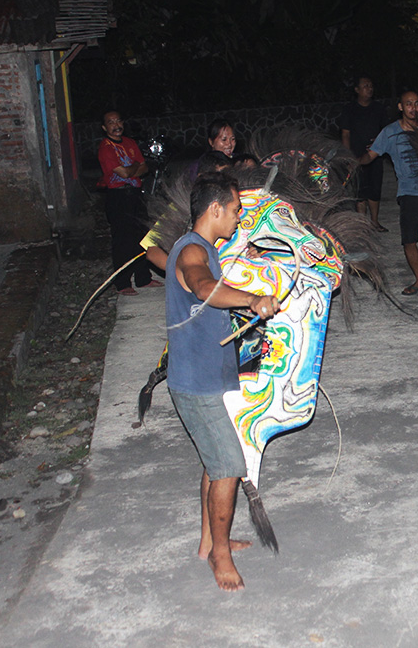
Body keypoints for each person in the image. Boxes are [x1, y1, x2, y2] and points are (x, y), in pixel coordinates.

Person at [165, 172, 280, 591]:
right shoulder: (192, 251)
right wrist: (252, 299)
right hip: (195, 383)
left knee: (213, 464)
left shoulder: (203, 247)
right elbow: (202, 286)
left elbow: (212, 282)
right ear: (214, 209)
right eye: (234, 211)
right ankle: (220, 556)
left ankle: (207, 542)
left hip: (204, 376)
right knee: (229, 466)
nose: (237, 220)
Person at [359, 90, 418, 295]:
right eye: (408, 104)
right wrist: (352, 162)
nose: (413, 108)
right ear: (401, 107)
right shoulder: (389, 132)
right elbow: (370, 156)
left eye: (417, 104)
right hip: (411, 192)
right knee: (409, 239)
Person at [97, 110, 159, 295]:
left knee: (142, 236)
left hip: (135, 194)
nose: (116, 125)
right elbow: (124, 173)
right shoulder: (105, 148)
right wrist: (134, 168)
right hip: (118, 197)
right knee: (122, 240)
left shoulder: (130, 143)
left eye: (118, 121)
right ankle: (123, 283)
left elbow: (145, 167)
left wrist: (130, 169)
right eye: (111, 122)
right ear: (104, 127)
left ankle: (143, 278)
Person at [340, 75, 389, 232]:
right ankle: (363, 225)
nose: (369, 89)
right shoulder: (349, 110)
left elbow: (385, 130)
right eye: (365, 86)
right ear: (357, 90)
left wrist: (379, 141)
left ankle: (374, 221)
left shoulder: (378, 108)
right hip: (356, 155)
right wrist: (347, 156)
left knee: (375, 189)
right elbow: (345, 134)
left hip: (374, 154)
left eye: (371, 86)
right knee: (359, 191)